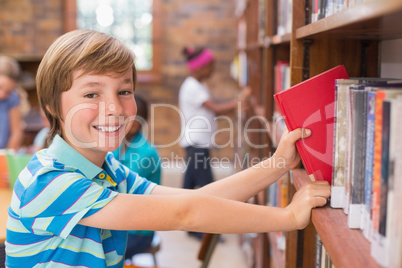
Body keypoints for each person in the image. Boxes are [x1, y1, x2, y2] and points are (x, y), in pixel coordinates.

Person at [5, 29, 330, 268]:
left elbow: (197, 200)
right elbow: (184, 212)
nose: (115, 109)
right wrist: (288, 216)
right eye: (92, 95)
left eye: (124, 91)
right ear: (50, 106)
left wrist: (278, 164)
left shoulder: (110, 169)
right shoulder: (51, 181)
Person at [179, 47, 250, 239]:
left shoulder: (198, 85)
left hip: (197, 143)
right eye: (210, 66)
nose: (212, 70)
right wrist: (240, 100)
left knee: (190, 186)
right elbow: (217, 109)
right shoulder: (192, 86)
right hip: (196, 145)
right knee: (208, 188)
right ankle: (208, 234)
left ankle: (189, 225)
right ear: (199, 68)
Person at [112, 94, 161, 263]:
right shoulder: (116, 144)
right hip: (121, 224)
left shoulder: (147, 153)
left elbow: (121, 187)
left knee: (100, 251)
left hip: (138, 232)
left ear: (142, 121)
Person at [0, 56, 23, 150]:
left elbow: (16, 132)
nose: (2, 94)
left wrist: (8, 154)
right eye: (0, 87)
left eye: (8, 91)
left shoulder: (12, 98)